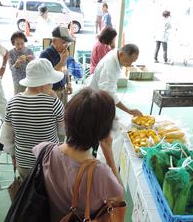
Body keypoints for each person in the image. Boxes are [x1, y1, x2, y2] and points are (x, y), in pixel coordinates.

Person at [32, 88, 124, 222]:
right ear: (104, 132)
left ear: (67, 119)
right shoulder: (101, 173)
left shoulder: (44, 150)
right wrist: (108, 153)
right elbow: (119, 197)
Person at [0, 58, 65, 181]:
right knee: (49, 191)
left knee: (28, 192)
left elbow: (7, 136)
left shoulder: (12, 102)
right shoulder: (53, 102)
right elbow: (63, 131)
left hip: (23, 163)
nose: (52, 86)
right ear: (44, 83)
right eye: (51, 83)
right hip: (48, 161)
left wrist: (13, 156)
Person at [90, 44, 143, 117]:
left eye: (133, 62)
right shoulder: (109, 65)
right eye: (130, 60)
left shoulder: (118, 54)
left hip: (102, 96)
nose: (130, 64)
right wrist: (128, 110)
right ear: (121, 54)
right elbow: (108, 93)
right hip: (97, 99)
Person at [40, 26, 73, 106]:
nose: (66, 45)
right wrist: (62, 61)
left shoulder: (63, 52)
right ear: (54, 41)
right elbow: (48, 76)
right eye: (64, 42)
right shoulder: (45, 54)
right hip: (51, 92)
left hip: (63, 90)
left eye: (68, 43)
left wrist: (69, 83)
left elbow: (66, 69)